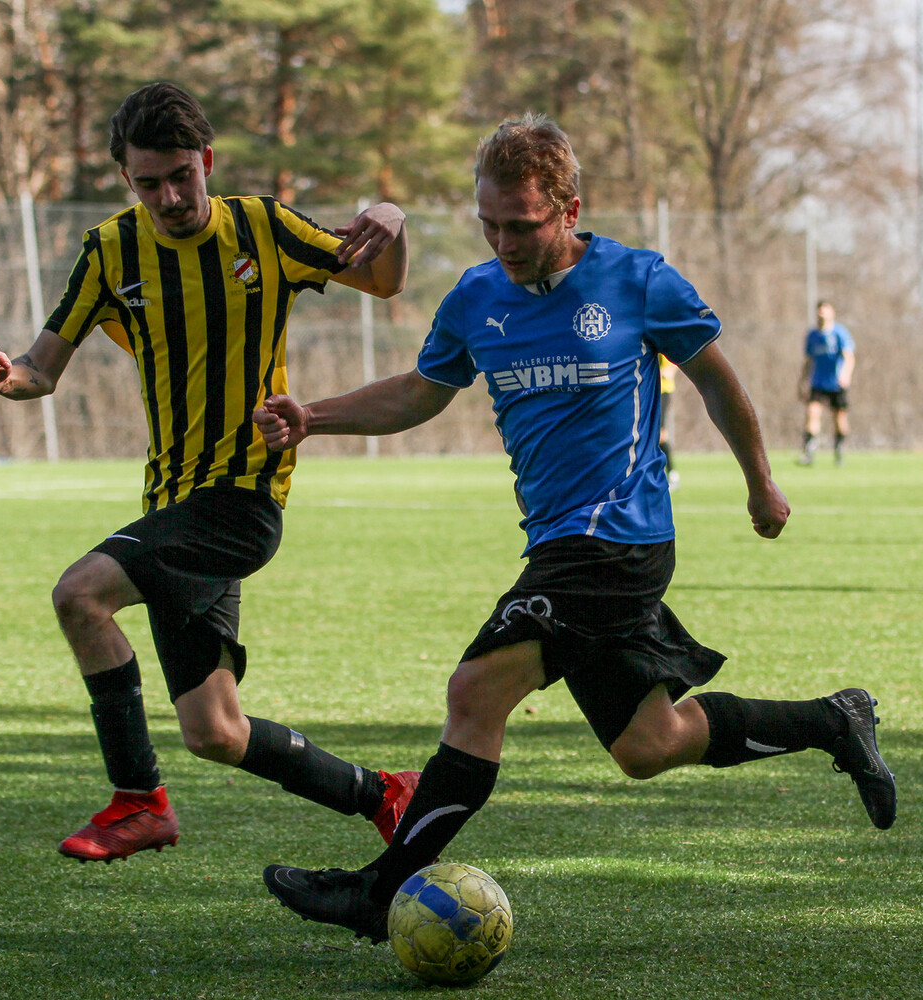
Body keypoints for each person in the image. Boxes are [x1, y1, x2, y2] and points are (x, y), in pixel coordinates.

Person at [253, 113, 896, 944]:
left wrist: (761, 484)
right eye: (489, 224)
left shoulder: (637, 279)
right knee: (649, 744)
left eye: (522, 226)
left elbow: (717, 382)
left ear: (569, 210)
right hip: (558, 542)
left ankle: (377, 895)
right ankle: (835, 720)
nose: (504, 243)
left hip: (618, 541)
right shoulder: (475, 296)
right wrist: (314, 416)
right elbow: (419, 392)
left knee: (475, 691)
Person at [0, 82, 420, 864]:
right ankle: (383, 795)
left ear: (206, 160)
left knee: (79, 595)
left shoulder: (263, 227)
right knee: (216, 731)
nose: (171, 197)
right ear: (127, 179)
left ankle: (138, 800)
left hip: (244, 498)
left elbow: (385, 281)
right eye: (150, 184)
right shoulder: (110, 251)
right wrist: (5, 376)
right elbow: (42, 369)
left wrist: (392, 219)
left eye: (182, 176)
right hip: (170, 500)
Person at [798, 300, 854, 466]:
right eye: (819, 311)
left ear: (832, 313)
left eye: (825, 310)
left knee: (839, 420)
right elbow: (808, 360)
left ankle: (839, 450)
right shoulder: (813, 336)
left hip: (836, 383)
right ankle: (809, 452)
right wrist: (802, 381)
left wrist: (845, 375)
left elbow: (849, 357)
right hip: (818, 382)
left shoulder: (839, 333)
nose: (822, 314)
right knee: (812, 413)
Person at [658, 354, 679, 489]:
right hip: (648, 390)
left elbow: (676, 358)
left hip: (662, 390)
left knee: (660, 434)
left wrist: (669, 371)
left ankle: (672, 474)